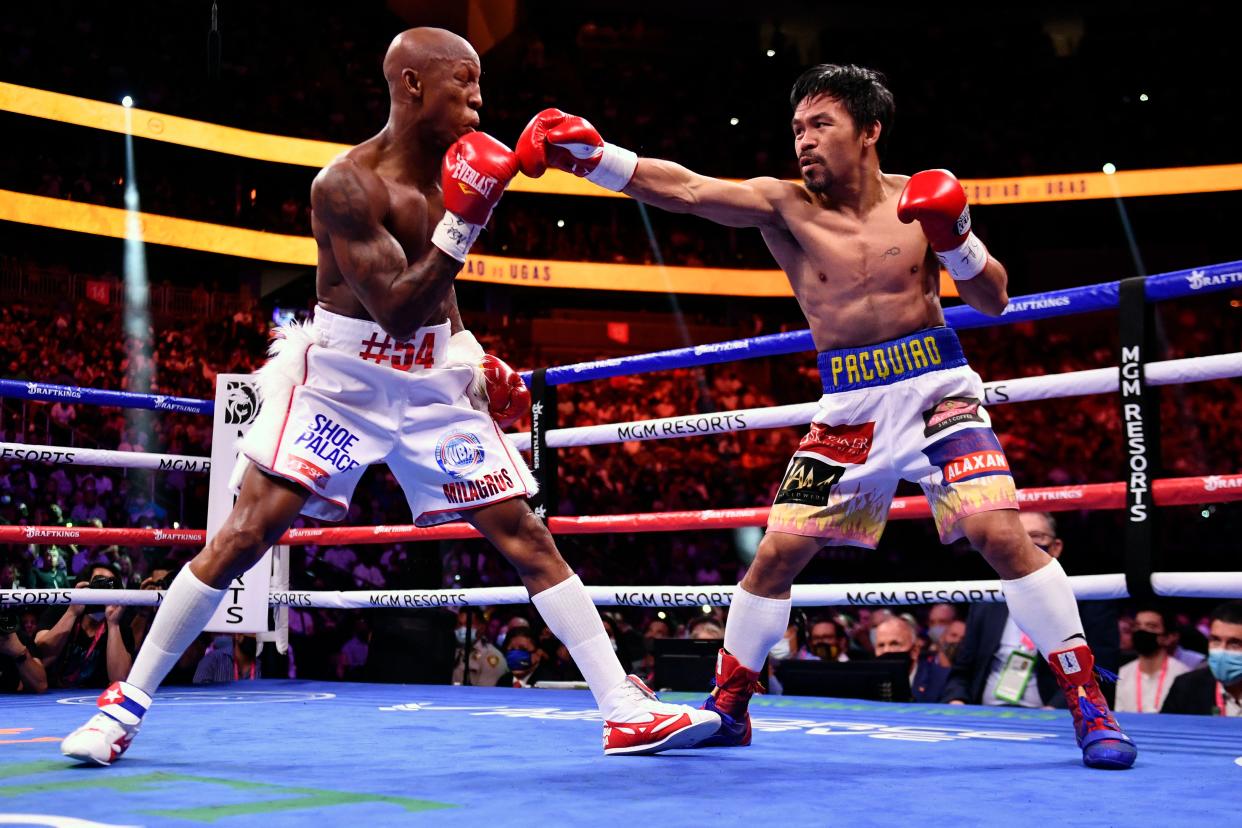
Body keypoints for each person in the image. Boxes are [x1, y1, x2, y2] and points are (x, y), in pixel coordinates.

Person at [60, 27, 717, 766]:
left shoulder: (458, 168)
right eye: (463, 83)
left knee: (527, 536)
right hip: (344, 379)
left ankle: (623, 710)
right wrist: (470, 218)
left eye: (479, 86)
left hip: (432, 383)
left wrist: (471, 356)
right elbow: (398, 307)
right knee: (247, 533)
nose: (478, 99)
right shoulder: (345, 184)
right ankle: (125, 706)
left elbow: (440, 306)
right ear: (411, 85)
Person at [516, 63, 1134, 769]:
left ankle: (1089, 703)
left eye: (821, 124)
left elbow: (992, 299)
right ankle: (731, 706)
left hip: (938, 388)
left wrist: (956, 235)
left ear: (868, 130)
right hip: (847, 405)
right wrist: (599, 162)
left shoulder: (916, 198)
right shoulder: (787, 204)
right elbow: (689, 191)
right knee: (777, 555)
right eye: (797, 128)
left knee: (999, 532)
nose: (804, 141)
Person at [942, 513, 1119, 710]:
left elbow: (1101, 666)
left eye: (1035, 536)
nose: (1026, 544)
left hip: (1054, 712)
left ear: (1056, 547)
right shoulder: (987, 603)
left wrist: (1056, 708)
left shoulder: (1088, 602)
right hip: (986, 712)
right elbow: (962, 670)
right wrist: (956, 701)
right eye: (1018, 536)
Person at [35, 562, 134, 690]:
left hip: (93, 698)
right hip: (49, 695)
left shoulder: (120, 625)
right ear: (85, 585)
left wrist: (113, 624)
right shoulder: (61, 610)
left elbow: (121, 680)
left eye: (109, 584)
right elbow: (40, 653)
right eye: (99, 582)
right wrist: (72, 613)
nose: (103, 590)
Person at [1161, 600, 1242, 717]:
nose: (1221, 651)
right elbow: (1164, 731)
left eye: (1235, 643)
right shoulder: (1186, 687)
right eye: (1215, 640)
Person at [1114, 607, 1189, 713]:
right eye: (1137, 626)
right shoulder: (1122, 674)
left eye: (1151, 626)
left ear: (1168, 637)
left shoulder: (1182, 675)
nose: (1142, 631)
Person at [873, 616, 948, 703]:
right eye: (881, 645)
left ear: (915, 651)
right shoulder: (868, 682)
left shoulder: (942, 679)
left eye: (894, 644)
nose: (886, 651)